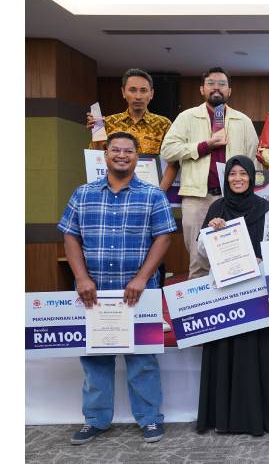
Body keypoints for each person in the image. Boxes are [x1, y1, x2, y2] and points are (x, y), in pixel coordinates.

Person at [58, 131, 176, 445]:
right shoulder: (82, 193)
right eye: (115, 150)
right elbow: (70, 236)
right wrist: (81, 278)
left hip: (139, 292)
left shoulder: (153, 195)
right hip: (93, 293)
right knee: (95, 357)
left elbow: (163, 237)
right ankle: (95, 420)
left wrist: (141, 278)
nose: (121, 155)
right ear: (105, 155)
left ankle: (150, 419)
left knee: (142, 358)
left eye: (128, 151)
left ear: (138, 157)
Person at [195, 155, 269, 436]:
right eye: (232, 174)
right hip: (224, 294)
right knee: (223, 353)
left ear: (251, 177)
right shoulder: (216, 208)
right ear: (226, 179)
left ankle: (256, 416)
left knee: (252, 351)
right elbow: (200, 252)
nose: (237, 178)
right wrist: (211, 233)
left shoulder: (266, 209)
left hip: (254, 294)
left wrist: (262, 260)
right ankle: (221, 417)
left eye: (242, 174)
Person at [160, 67, 259, 279]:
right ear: (201, 89)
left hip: (233, 199)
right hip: (197, 198)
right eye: (211, 83)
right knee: (198, 260)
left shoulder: (243, 121)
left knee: (235, 258)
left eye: (222, 84)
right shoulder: (187, 117)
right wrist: (204, 146)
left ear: (230, 91)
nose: (216, 88)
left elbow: (252, 161)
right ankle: (199, 311)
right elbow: (167, 150)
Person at [87, 68, 178, 192]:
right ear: (123, 92)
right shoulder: (108, 123)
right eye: (132, 90)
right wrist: (96, 131)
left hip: (150, 191)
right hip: (113, 190)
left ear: (151, 94)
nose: (138, 96)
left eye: (144, 90)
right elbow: (96, 158)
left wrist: (159, 193)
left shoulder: (163, 124)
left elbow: (173, 162)